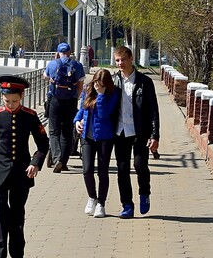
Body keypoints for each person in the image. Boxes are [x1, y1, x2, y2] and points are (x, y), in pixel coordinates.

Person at [0, 75, 50, 258]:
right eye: (7, 101)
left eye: (14, 101)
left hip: (21, 172)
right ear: (2, 98)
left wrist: (35, 163)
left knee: (17, 214)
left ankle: (18, 252)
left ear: (21, 96)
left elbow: (43, 144)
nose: (10, 105)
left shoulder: (29, 116)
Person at [112, 45, 160, 218]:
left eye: (123, 59)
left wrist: (155, 135)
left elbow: (153, 110)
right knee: (122, 169)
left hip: (140, 132)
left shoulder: (144, 82)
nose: (120, 63)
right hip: (120, 131)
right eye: (117, 60)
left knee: (140, 165)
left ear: (131, 58)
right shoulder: (113, 81)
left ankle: (144, 193)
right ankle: (127, 205)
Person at [74, 68, 120, 219]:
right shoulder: (88, 89)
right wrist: (76, 121)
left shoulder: (114, 93)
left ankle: (101, 203)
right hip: (87, 136)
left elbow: (104, 113)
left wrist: (101, 94)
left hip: (105, 138)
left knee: (102, 171)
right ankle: (92, 197)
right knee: (87, 170)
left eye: (101, 84)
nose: (97, 86)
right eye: (95, 83)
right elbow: (81, 109)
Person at [43, 42, 86, 172]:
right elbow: (80, 85)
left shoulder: (52, 64)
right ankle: (64, 162)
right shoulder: (77, 65)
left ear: (58, 52)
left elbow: (45, 77)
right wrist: (76, 98)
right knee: (67, 133)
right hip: (71, 101)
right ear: (70, 52)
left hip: (55, 100)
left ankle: (57, 159)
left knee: (54, 131)